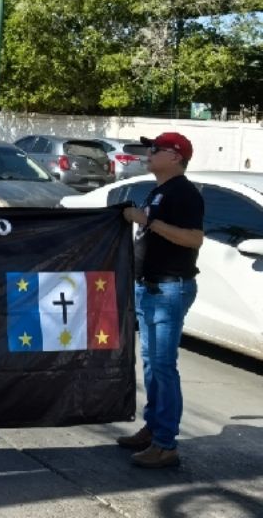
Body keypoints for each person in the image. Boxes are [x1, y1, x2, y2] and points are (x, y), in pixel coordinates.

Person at [117, 132, 204, 469]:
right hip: (149, 287)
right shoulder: (159, 190)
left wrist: (148, 221)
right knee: (152, 364)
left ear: (176, 157)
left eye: (155, 149)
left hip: (169, 289)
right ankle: (153, 428)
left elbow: (194, 239)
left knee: (164, 366)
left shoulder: (184, 193)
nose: (148, 154)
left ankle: (166, 444)